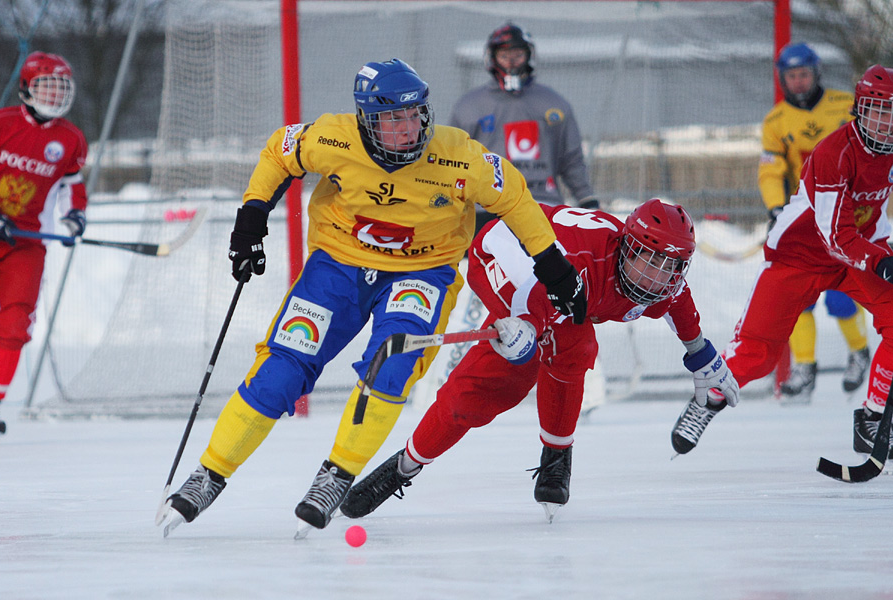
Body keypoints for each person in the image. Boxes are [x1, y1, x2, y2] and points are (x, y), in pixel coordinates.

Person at [157, 58, 588, 535]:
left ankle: (337, 475)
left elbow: (517, 200)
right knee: (283, 364)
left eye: (415, 116)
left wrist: (553, 266)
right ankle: (209, 474)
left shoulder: (458, 156)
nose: (408, 129)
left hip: (421, 272)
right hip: (338, 264)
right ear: (366, 120)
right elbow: (279, 152)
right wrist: (252, 216)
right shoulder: (331, 138)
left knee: (391, 362)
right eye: (393, 120)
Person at [338, 199, 740, 522]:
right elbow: (534, 290)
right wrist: (525, 325)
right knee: (475, 394)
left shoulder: (661, 285)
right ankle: (402, 468)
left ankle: (556, 461)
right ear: (627, 245)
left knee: (575, 345)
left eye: (671, 266)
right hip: (507, 257)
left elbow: (678, 304)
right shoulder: (585, 261)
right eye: (650, 260)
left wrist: (701, 355)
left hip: (555, 292)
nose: (657, 277)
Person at [671, 64, 893, 457]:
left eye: (890, 111)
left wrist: (881, 252)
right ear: (859, 109)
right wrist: (881, 261)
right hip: (800, 256)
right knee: (758, 353)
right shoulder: (833, 152)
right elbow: (834, 234)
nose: (882, 121)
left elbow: (868, 219)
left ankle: (873, 417)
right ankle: (709, 399)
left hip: (853, 255)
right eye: (875, 110)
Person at [759, 42, 870, 402]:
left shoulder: (843, 107)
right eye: (791, 76)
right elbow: (771, 171)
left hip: (846, 215)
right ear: (783, 79)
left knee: (841, 293)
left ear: (816, 71)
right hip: (805, 219)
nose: (799, 81)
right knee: (798, 295)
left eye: (804, 73)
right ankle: (804, 368)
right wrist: (777, 209)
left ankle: (859, 352)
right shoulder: (776, 122)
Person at [0, 51, 88, 440]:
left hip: (25, 242)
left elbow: (73, 186)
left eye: (60, 86)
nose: (53, 93)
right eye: (46, 85)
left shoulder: (70, 139)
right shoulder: (0, 124)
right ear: (25, 89)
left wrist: (76, 215)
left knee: (16, 324)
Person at [451, 22, 597, 236]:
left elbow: (571, 158)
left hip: (544, 205)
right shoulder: (468, 106)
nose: (511, 62)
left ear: (529, 56)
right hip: (488, 208)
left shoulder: (554, 103)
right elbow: (455, 162)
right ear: (491, 58)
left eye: (517, 54)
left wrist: (587, 199)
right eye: (504, 55)